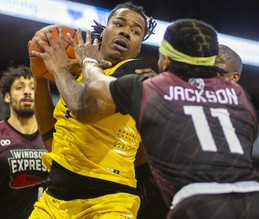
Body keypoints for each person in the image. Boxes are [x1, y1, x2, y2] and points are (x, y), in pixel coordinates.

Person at [67, 18, 259, 218]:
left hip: (201, 202)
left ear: (166, 60)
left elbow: (94, 85)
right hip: (258, 200)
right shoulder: (240, 96)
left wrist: (88, 59)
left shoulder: (153, 88)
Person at [29, 2, 167, 219]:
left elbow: (84, 110)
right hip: (54, 199)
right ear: (104, 31)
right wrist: (39, 77)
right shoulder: (79, 70)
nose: (126, 32)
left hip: (107, 203)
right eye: (119, 24)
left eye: (135, 31)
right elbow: (50, 139)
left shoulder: (135, 74)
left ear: (139, 46)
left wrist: (58, 69)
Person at [0, 65, 49, 219]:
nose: (27, 91)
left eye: (33, 87)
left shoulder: (56, 136)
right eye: (19, 87)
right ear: (7, 96)